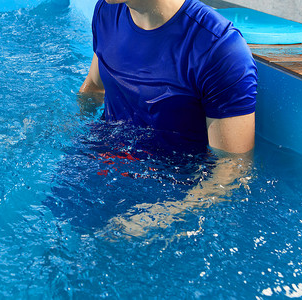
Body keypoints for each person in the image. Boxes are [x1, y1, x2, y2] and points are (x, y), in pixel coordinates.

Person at [78, 0, 257, 237]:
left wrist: (160, 217)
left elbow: (232, 170)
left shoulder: (219, 48)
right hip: (102, 167)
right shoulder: (107, 11)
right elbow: (93, 88)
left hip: (170, 191)